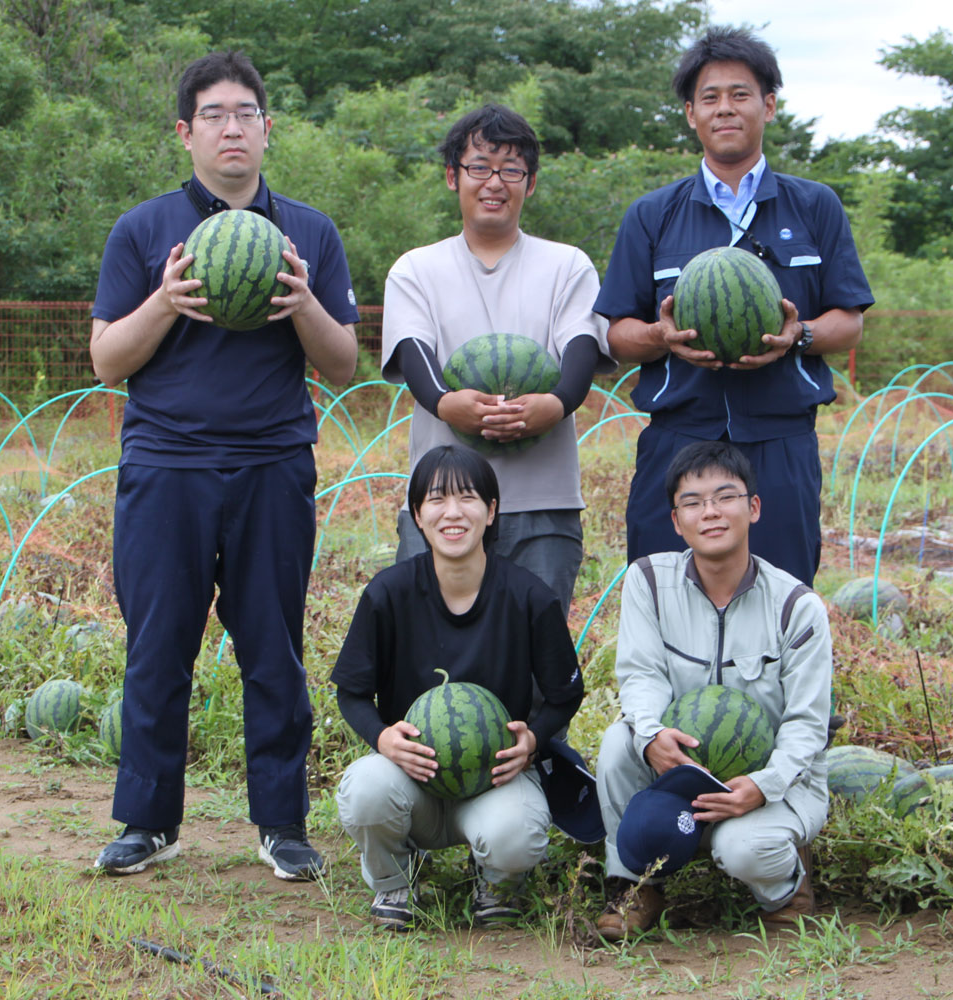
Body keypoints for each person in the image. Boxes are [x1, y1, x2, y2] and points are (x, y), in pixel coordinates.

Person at [87, 51, 359, 878]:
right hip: (165, 463)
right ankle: (148, 821)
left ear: (267, 130)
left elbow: (344, 364)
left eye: (246, 113)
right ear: (186, 132)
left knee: (273, 647)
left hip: (274, 462)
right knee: (157, 644)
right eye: (214, 114)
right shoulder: (141, 230)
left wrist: (305, 301)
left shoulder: (309, 233)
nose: (232, 127)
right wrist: (164, 301)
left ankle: (282, 824)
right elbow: (106, 360)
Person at [595, 27, 874, 587]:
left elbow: (850, 321)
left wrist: (798, 336)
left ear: (768, 105)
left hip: (780, 436)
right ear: (691, 114)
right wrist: (662, 337)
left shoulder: (815, 205)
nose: (726, 108)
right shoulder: (652, 214)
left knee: (782, 594)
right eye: (710, 97)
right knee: (664, 594)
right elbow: (617, 334)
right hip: (680, 435)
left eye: (741, 94)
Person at [331, 444, 585, 930]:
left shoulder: (530, 597)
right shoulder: (388, 594)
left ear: (491, 512)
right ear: (417, 516)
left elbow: (564, 693)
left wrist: (533, 739)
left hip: (496, 781)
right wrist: (383, 739)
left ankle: (494, 880)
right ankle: (394, 882)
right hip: (412, 779)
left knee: (515, 835)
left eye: (467, 498)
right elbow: (352, 693)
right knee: (365, 789)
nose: (452, 512)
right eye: (436, 500)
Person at [593, 441, 833, 939]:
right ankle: (633, 884)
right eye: (694, 502)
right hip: (678, 768)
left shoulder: (797, 606)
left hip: (771, 777)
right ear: (677, 521)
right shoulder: (647, 582)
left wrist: (763, 786)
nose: (711, 512)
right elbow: (640, 674)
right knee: (619, 743)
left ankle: (786, 892)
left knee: (743, 849)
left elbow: (807, 724)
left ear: (754, 507)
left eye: (725, 497)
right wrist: (652, 734)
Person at [381, 104, 613, 614]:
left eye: (511, 170)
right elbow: (414, 353)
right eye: (479, 166)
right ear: (452, 177)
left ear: (529, 183)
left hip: (543, 508)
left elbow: (581, 348)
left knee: (534, 666)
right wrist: (446, 404)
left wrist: (555, 403)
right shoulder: (415, 270)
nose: (494, 182)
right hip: (440, 506)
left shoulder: (568, 265)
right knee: (430, 662)